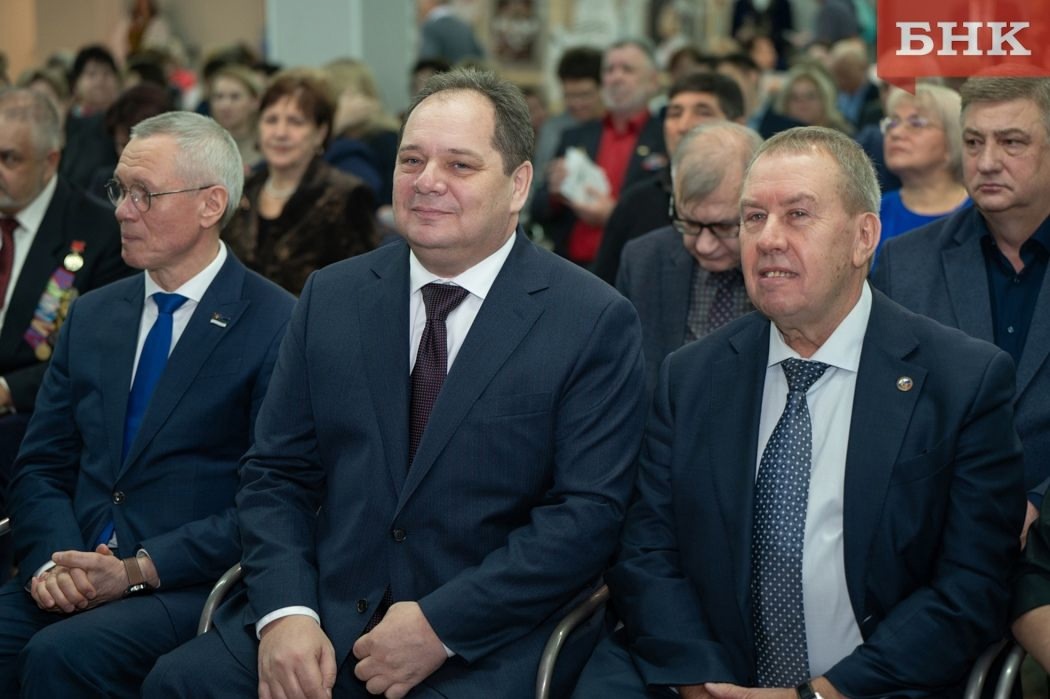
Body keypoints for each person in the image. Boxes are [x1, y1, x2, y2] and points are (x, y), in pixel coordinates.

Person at [144, 67, 647, 699]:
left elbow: (586, 517)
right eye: (411, 160)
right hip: (324, 612)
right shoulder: (333, 296)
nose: (427, 181)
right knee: (179, 683)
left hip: (482, 637)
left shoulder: (591, 320)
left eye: (459, 165)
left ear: (518, 184)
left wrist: (442, 625)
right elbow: (275, 474)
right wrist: (287, 612)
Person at [575, 126, 1024, 697]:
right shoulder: (691, 378)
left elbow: (971, 588)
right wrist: (701, 681)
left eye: (798, 215)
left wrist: (820, 694)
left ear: (863, 237)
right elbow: (647, 553)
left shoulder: (961, 382)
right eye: (753, 217)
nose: (768, 239)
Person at [0, 111, 295, 698]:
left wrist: (138, 569)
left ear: (211, 205)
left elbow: (271, 498)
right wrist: (53, 565)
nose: (121, 211)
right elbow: (40, 465)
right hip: (72, 565)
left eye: (144, 194)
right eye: (120, 190)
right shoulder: (94, 314)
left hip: (184, 582)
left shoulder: (276, 323)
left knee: (61, 657)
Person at [873, 76, 1050, 545]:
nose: (987, 161)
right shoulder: (905, 263)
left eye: (1012, 142)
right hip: (933, 539)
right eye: (973, 142)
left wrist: (1042, 505)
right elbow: (879, 412)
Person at [0, 88, 130, 557]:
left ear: (50, 160)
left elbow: (94, 358)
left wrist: (7, 390)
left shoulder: (99, 232)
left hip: (36, 414)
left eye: (9, 159)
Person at [617, 122, 759, 392]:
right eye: (690, 223)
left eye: (723, 226)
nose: (705, 246)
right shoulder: (643, 261)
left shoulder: (786, 269)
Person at [222, 70, 378, 295]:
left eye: (295, 122)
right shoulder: (242, 190)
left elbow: (362, 286)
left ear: (320, 132)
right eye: (271, 120)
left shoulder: (346, 194)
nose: (280, 133)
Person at [594, 72, 747, 284]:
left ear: (738, 125)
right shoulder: (635, 202)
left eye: (702, 112)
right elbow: (604, 287)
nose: (684, 126)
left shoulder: (759, 197)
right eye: (674, 113)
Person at [532, 38, 666, 266]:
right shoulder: (575, 136)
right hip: (570, 266)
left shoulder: (664, 139)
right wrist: (555, 193)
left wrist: (615, 216)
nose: (616, 77)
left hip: (631, 268)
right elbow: (539, 208)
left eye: (627, 69)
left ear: (653, 81)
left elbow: (668, 217)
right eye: (609, 70)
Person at [875, 84, 969, 260]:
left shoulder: (983, 213)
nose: (896, 133)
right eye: (892, 123)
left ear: (952, 139)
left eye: (916, 123)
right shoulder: (874, 213)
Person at [208, 63, 263, 172]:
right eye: (219, 97)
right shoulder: (203, 147)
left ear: (255, 101)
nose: (225, 105)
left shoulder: (268, 145)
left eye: (235, 97)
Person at [774, 63, 852, 134]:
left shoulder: (843, 135)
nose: (802, 103)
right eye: (795, 98)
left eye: (810, 96)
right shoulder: (777, 135)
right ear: (785, 103)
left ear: (825, 99)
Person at [416, 0, 485, 64]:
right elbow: (481, 57)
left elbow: (429, 63)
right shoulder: (465, 27)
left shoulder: (431, 27)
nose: (418, 7)